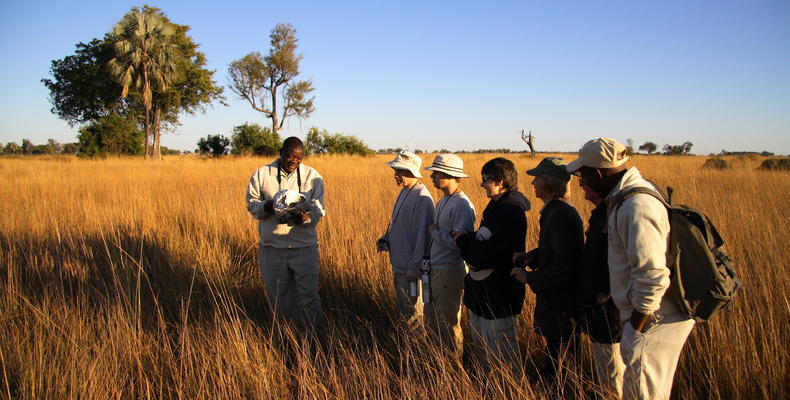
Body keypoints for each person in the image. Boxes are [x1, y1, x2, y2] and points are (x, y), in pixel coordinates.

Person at [566, 138, 695, 400]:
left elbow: (653, 278)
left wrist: (635, 331)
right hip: (648, 318)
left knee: (643, 393)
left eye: (585, 175)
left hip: (655, 320)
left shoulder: (635, 206)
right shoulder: (629, 196)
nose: (582, 182)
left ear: (600, 173)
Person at [451, 157, 530, 371]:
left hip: (499, 296)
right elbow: (482, 243)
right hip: (484, 296)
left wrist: (462, 240)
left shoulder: (511, 212)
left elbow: (485, 255)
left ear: (501, 182)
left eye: (486, 179)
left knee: (503, 358)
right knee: (484, 353)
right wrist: (470, 241)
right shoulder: (496, 207)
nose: (482, 184)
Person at [511, 157, 584, 380]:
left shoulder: (559, 214)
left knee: (562, 364)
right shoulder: (555, 211)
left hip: (562, 304)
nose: (533, 183)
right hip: (558, 302)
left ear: (550, 181)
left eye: (538, 178)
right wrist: (530, 257)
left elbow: (563, 267)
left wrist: (530, 277)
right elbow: (554, 251)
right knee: (557, 356)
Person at [245, 137, 326, 336]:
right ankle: (286, 340)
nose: (293, 161)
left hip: (303, 248)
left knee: (308, 297)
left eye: (298, 158)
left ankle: (316, 341)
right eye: (289, 156)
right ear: (281, 152)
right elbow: (252, 205)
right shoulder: (262, 174)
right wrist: (270, 206)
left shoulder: (312, 176)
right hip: (272, 249)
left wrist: (305, 217)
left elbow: (319, 210)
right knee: (279, 299)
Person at [575, 168, 626, 398]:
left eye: (584, 180)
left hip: (610, 310)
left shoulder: (615, 212)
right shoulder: (602, 213)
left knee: (613, 371)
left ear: (599, 178)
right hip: (600, 307)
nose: (580, 185)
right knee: (605, 368)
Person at [423, 154, 476, 357]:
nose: (433, 177)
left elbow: (460, 243)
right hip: (437, 268)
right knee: (435, 321)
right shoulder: (444, 201)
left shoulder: (462, 204)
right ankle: (439, 366)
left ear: (450, 175)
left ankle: (454, 367)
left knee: (449, 323)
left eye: (437, 173)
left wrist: (434, 233)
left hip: (450, 270)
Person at [377, 151, 435, 324]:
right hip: (400, 265)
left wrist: (414, 268)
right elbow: (400, 226)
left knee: (414, 315)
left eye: (400, 171)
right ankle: (408, 349)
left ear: (412, 172)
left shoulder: (422, 198)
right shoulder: (405, 192)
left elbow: (423, 238)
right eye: (395, 170)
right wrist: (386, 239)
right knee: (405, 313)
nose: (395, 175)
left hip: (412, 271)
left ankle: (417, 351)